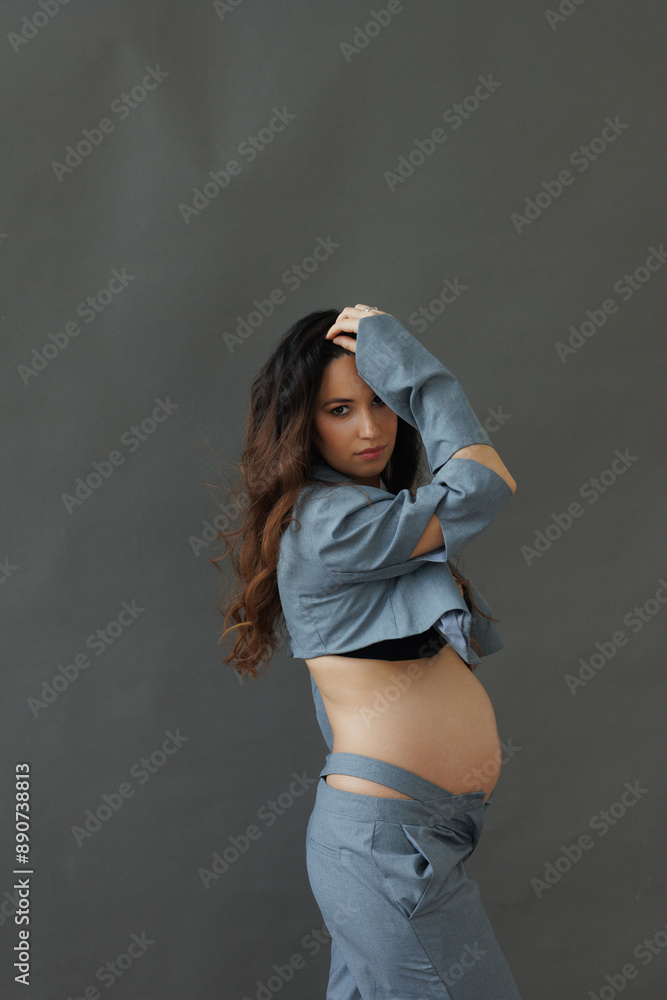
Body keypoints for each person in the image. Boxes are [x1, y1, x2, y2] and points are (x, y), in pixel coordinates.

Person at [213, 303, 522, 998]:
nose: (371, 427)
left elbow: (342, 697)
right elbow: (484, 484)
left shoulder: (366, 514)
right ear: (300, 422)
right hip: (389, 845)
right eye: (340, 409)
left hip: (402, 838)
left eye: (383, 403)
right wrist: (416, 371)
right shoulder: (329, 522)